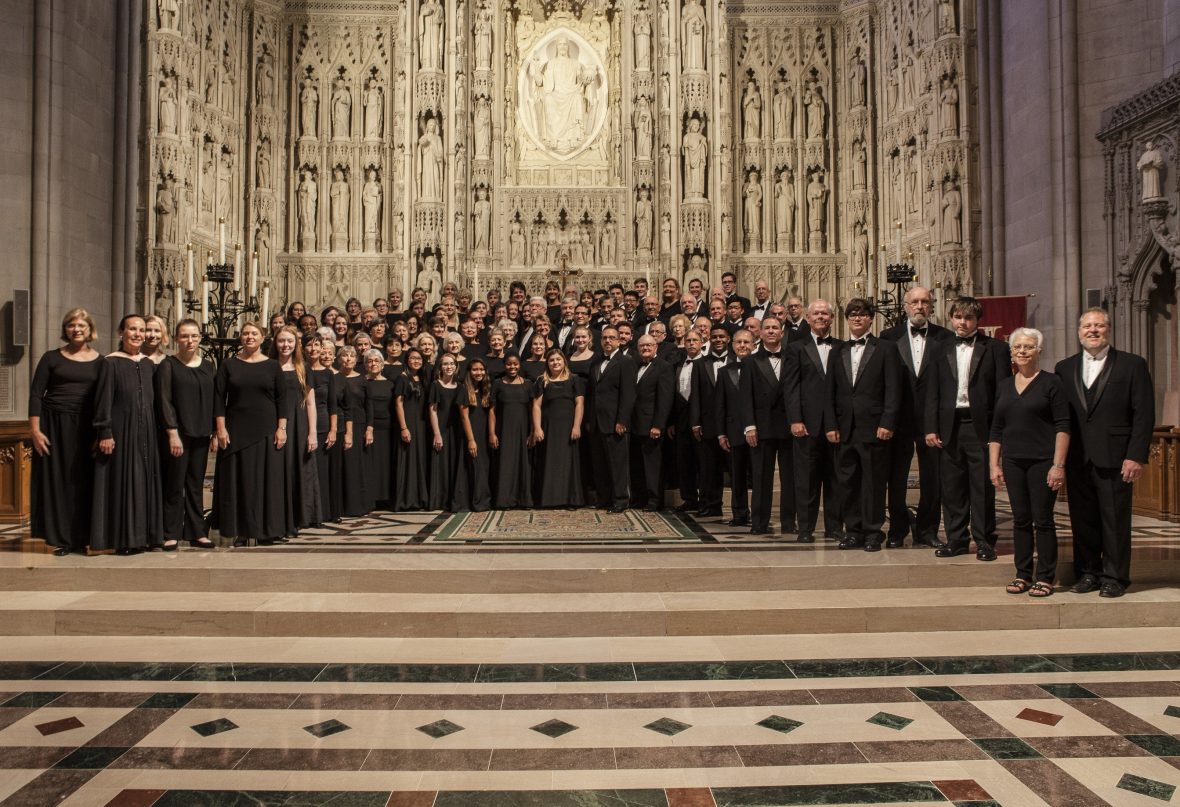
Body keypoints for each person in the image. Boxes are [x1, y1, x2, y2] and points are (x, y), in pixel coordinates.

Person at [1055, 308, 1154, 597]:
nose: (1093, 330)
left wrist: (1136, 455)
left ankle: (1115, 577)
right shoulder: (1064, 367)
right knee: (1082, 520)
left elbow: (1144, 413)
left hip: (1116, 456)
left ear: (1109, 330)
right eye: (1087, 326)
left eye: (1099, 326)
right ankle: (1088, 573)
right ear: (1078, 331)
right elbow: (1062, 418)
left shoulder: (1132, 365)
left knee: (1114, 520)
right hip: (1077, 459)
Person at [926, 296, 1011, 561]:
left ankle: (985, 541)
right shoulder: (940, 347)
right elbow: (933, 391)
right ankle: (956, 539)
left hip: (981, 426)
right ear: (951, 318)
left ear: (977, 320)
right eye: (958, 317)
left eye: (968, 318)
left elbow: (1003, 391)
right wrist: (931, 427)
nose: (962, 323)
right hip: (949, 425)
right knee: (952, 487)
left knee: (982, 487)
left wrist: (999, 431)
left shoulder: (995, 348)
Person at [989, 328, 1070, 598]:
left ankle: (1045, 576)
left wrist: (1058, 465)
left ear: (1039, 351)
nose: (1022, 351)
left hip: (1042, 461)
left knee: (1043, 520)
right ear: (1011, 352)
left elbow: (1063, 426)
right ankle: (1023, 574)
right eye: (1018, 347)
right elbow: (996, 428)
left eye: (1028, 347)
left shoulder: (1051, 383)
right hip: (1013, 461)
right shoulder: (1003, 385)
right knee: (1020, 520)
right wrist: (994, 464)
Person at [824, 299, 901, 551]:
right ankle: (853, 530)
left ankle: (873, 531)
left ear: (871, 318)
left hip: (874, 426)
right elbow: (830, 392)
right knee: (847, 482)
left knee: (873, 482)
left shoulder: (886, 348)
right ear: (847, 319)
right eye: (852, 315)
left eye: (862, 314)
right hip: (845, 428)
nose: (857, 319)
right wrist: (831, 425)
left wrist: (887, 421)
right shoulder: (838, 351)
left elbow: (893, 389)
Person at [878, 286, 952, 548]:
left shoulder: (946, 337)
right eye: (914, 302)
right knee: (895, 477)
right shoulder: (887, 337)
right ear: (906, 306)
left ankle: (928, 529)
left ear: (931, 306)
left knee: (933, 477)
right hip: (898, 419)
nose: (920, 306)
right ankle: (898, 528)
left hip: (933, 421)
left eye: (925, 302)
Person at [29, 308, 102, 555]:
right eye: (71, 325)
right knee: (58, 483)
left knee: (84, 481)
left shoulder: (101, 361)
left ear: (90, 329)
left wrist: (101, 433)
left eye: (81, 325)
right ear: (65, 329)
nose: (76, 329)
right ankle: (61, 538)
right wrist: (35, 431)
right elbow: (36, 394)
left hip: (87, 427)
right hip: (54, 425)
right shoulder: (51, 358)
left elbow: (105, 399)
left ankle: (83, 538)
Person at [91, 315, 164, 554]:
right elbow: (103, 400)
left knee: (145, 482)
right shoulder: (110, 363)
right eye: (132, 329)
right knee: (126, 483)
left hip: (147, 432)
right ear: (121, 333)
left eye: (141, 330)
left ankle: (147, 536)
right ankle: (126, 539)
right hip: (122, 430)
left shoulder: (148, 364)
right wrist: (105, 431)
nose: (138, 334)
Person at [213, 322, 288, 546]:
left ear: (263, 337)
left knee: (265, 481)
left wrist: (281, 428)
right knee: (239, 482)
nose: (249, 337)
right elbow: (218, 398)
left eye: (254, 333)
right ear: (240, 337)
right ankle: (241, 530)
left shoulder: (273, 366)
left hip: (266, 430)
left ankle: (267, 529)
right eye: (245, 333)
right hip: (235, 430)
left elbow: (282, 399)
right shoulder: (228, 365)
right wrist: (220, 428)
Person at [155, 318, 216, 550]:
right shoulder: (168, 365)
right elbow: (165, 401)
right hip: (178, 434)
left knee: (195, 484)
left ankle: (196, 532)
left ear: (200, 337)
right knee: (174, 483)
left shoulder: (208, 366)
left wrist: (213, 432)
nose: (189, 341)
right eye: (184, 336)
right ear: (176, 338)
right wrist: (172, 432)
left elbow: (212, 400)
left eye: (194, 336)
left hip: (201, 433)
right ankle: (170, 532)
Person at [785, 300, 842, 542]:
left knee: (836, 478)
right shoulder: (796, 347)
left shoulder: (842, 346)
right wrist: (795, 419)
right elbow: (791, 386)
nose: (820, 317)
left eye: (824, 313)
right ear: (808, 318)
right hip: (807, 424)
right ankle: (806, 529)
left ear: (831, 318)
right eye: (816, 313)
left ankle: (835, 527)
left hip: (837, 425)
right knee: (806, 480)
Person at [746, 317, 795, 536]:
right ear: (760, 333)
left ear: (782, 333)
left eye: (775, 328)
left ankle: (788, 521)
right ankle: (759, 522)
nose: (771, 331)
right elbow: (745, 396)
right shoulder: (750, 361)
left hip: (788, 426)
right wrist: (749, 426)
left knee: (790, 478)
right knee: (761, 478)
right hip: (762, 427)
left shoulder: (793, 358)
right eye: (767, 328)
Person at [271, 326, 321, 534]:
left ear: (296, 344)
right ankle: (277, 516)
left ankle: (297, 517)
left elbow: (310, 403)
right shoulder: (269, 366)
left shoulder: (303, 368)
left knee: (297, 469)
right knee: (277, 471)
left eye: (290, 341)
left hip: (299, 424)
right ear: (275, 343)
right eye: (282, 341)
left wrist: (312, 432)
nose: (286, 345)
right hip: (274, 422)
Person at [589, 326, 637, 512]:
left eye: (611, 338)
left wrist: (622, 421)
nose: (608, 341)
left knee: (618, 465)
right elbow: (594, 394)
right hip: (597, 423)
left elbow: (629, 395)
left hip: (615, 423)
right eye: (605, 338)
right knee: (600, 464)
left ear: (619, 341)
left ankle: (621, 500)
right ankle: (604, 498)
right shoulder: (596, 362)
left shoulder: (625, 361)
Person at [531, 349, 585, 508]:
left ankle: (570, 500)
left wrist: (576, 426)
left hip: (568, 428)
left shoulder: (575, 380)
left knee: (568, 463)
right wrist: (537, 428)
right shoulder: (542, 380)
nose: (555, 363)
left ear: (564, 361)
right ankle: (549, 500)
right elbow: (536, 406)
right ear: (547, 363)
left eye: (558, 360)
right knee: (549, 462)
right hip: (548, 428)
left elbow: (579, 404)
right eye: (552, 360)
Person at [691, 325, 734, 517]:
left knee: (734, 468)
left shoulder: (738, 360)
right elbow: (696, 395)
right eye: (714, 337)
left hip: (733, 423)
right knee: (709, 467)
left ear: (728, 339)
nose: (717, 340)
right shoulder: (700, 363)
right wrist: (695, 422)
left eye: (721, 337)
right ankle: (710, 505)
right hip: (708, 423)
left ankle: (739, 509)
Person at [716, 329, 756, 528]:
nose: (742, 345)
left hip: (757, 431)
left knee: (758, 475)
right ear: (732, 346)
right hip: (733, 430)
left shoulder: (760, 367)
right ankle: (739, 513)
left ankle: (758, 514)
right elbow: (720, 404)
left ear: (754, 345)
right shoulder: (724, 372)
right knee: (737, 476)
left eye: (746, 342)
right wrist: (721, 432)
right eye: (739, 342)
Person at [630, 335, 674, 511]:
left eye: (649, 345)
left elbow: (665, 399)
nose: (645, 348)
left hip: (651, 425)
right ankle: (640, 498)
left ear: (656, 347)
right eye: (642, 345)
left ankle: (655, 500)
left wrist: (658, 425)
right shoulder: (635, 365)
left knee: (652, 465)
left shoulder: (664, 367)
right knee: (638, 465)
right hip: (635, 424)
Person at [490, 355, 533, 508]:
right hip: (504, 430)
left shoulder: (528, 384)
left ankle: (523, 500)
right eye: (509, 364)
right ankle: (504, 500)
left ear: (520, 365)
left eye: (515, 364)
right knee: (505, 463)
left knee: (523, 463)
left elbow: (532, 410)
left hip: (523, 430)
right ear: (504, 365)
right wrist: (492, 433)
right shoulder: (497, 384)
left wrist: (532, 432)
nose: (512, 367)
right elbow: (492, 410)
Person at [670, 330, 705, 513]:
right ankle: (689, 498)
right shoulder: (678, 364)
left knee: (703, 463)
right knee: (685, 463)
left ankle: (706, 500)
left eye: (694, 340)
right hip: (681, 421)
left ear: (701, 342)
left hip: (701, 422)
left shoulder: (706, 363)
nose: (691, 343)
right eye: (688, 340)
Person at [307, 338, 339, 521]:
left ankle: (323, 513)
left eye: (317, 345)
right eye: (309, 345)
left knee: (322, 471)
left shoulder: (328, 373)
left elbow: (332, 405)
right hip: (302, 425)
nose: (313, 349)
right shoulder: (300, 369)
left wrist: (333, 430)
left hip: (323, 425)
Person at [394, 348, 430, 510]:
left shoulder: (423, 378)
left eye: (419, 358)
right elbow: (398, 403)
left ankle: (420, 498)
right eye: (413, 358)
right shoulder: (402, 378)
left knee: (419, 460)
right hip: (408, 423)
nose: (416, 361)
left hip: (421, 425)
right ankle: (406, 500)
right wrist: (403, 427)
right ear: (407, 360)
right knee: (408, 460)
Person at [337, 346, 370, 517]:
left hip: (358, 425)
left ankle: (356, 505)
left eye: (352, 356)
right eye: (344, 355)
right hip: (339, 424)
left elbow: (368, 405)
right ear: (339, 358)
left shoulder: (362, 379)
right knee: (341, 465)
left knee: (355, 466)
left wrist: (369, 428)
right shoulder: (335, 377)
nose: (348, 359)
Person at [428, 353, 463, 510]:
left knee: (454, 463)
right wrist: (437, 433)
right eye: (445, 364)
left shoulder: (460, 386)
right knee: (440, 463)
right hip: (441, 429)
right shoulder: (436, 385)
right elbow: (433, 410)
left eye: (452, 364)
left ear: (456, 366)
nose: (449, 367)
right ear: (440, 367)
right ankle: (439, 500)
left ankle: (452, 499)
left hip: (456, 430)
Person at [457, 359, 492, 511]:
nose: (479, 373)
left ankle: (484, 500)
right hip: (472, 433)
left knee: (483, 467)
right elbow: (464, 417)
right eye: (475, 370)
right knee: (475, 467)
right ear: (469, 372)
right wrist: (471, 440)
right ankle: (478, 502)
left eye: (481, 369)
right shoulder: (464, 389)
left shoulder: (485, 389)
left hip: (484, 433)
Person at [363, 349, 395, 510]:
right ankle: (371, 498)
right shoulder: (362, 383)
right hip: (369, 428)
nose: (373, 364)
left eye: (376, 361)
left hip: (388, 429)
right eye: (370, 361)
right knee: (371, 464)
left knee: (386, 464)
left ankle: (386, 498)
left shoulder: (390, 384)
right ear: (365, 365)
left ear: (382, 365)